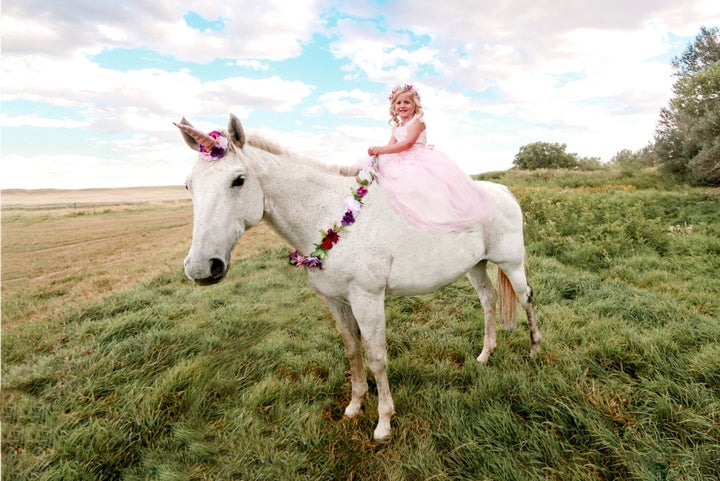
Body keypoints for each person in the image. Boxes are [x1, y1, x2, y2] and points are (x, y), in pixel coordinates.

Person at [364, 84, 488, 232]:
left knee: (417, 184)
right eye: (398, 103)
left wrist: (383, 149)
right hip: (399, 158)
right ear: (393, 106)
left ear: (414, 105)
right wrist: (379, 152)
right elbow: (391, 145)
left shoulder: (417, 122)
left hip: (417, 157)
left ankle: (432, 218)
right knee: (380, 174)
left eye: (406, 102)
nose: (402, 106)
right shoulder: (396, 126)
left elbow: (408, 143)